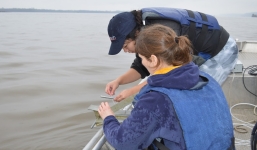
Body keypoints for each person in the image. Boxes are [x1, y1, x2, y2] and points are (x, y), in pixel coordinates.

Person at [98, 24, 235, 150]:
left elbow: (123, 142)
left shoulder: (156, 99)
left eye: (142, 58)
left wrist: (108, 117)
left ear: (153, 60)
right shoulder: (208, 79)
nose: (142, 63)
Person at [105, 7, 238, 101]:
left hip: (221, 50)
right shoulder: (144, 32)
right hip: (194, 55)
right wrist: (118, 81)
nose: (125, 50)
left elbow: (170, 73)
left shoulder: (162, 31)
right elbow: (141, 66)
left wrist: (133, 91)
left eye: (125, 45)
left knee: (196, 92)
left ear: (136, 34)